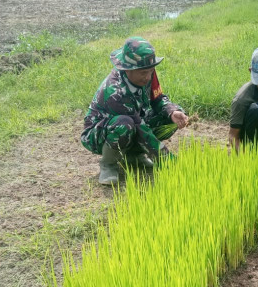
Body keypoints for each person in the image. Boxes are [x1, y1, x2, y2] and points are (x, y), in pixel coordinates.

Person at [81, 37, 188, 185]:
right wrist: (166, 158)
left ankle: (134, 156)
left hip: (136, 121)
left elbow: (158, 99)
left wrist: (172, 112)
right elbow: (140, 128)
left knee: (170, 117)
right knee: (125, 125)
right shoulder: (115, 90)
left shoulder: (148, 72)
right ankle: (108, 164)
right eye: (143, 73)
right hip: (100, 133)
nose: (148, 77)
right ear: (127, 69)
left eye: (151, 71)